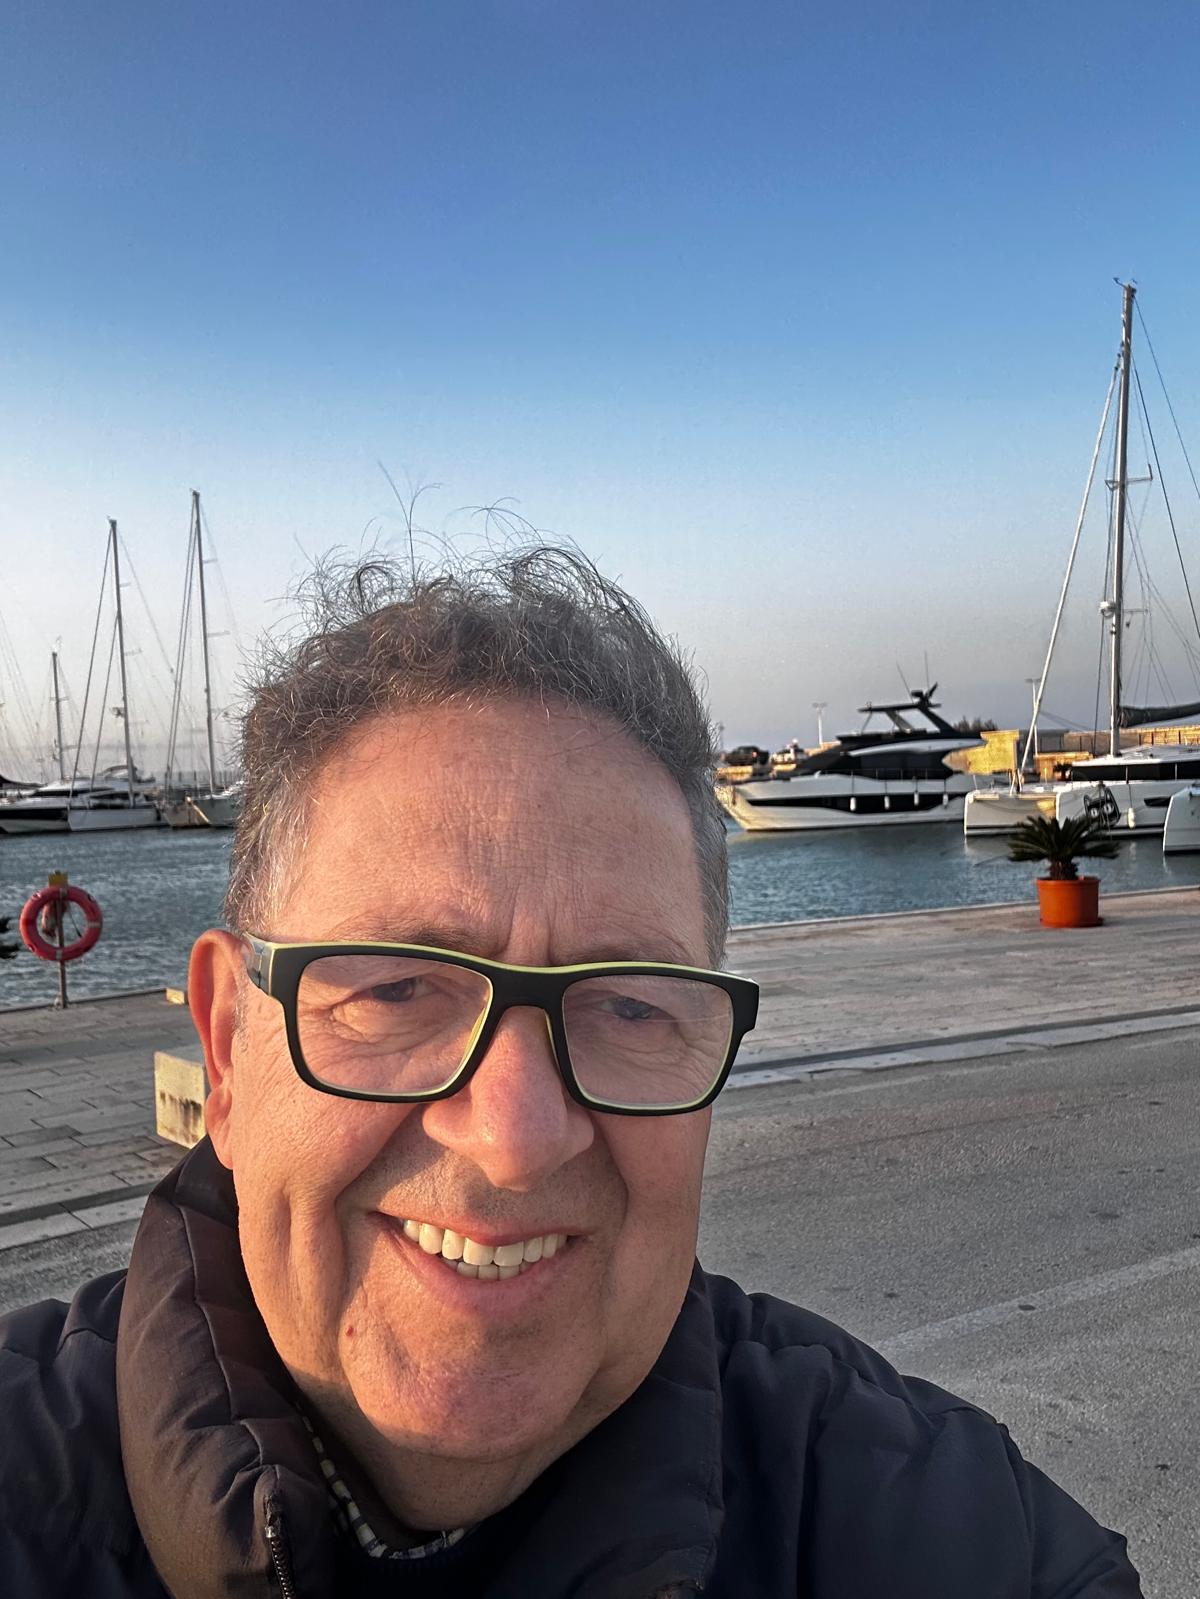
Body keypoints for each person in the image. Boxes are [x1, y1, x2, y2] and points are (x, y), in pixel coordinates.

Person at [0, 548, 1141, 1597]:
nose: (516, 1135)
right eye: (394, 989)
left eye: (629, 1004)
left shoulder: (950, 1536)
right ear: (228, 1048)